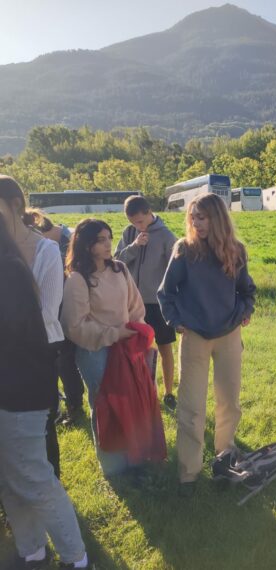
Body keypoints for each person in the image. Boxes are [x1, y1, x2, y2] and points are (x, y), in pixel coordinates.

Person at [0, 212, 91, 569]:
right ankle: (32, 551)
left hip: (21, 389)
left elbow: (21, 333)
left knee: (34, 476)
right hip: (14, 386)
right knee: (11, 477)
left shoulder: (10, 271)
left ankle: (76, 559)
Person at [158, 193, 256, 497]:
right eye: (193, 217)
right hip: (195, 337)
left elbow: (247, 290)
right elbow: (165, 293)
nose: (196, 223)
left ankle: (225, 457)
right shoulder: (184, 250)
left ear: (217, 218)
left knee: (229, 402)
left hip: (229, 335)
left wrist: (245, 311)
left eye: (202, 217)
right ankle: (188, 473)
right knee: (191, 407)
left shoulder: (236, 250)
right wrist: (176, 321)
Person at [61, 219, 146, 477]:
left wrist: (138, 332)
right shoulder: (78, 279)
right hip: (95, 351)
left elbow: (135, 306)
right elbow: (74, 325)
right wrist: (114, 334)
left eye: (109, 237)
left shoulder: (120, 269)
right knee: (105, 406)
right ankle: (113, 466)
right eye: (101, 240)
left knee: (129, 401)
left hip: (126, 347)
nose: (109, 244)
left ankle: (134, 458)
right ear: (86, 244)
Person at [0, 175, 64, 478]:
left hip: (37, 355)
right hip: (5, 355)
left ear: (15, 205)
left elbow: (47, 314)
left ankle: (50, 488)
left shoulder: (45, 251)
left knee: (41, 433)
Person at [115, 195, 178, 411]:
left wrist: (172, 298)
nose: (137, 226)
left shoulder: (166, 236)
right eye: (133, 222)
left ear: (149, 212)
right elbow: (117, 262)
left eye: (140, 221)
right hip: (133, 303)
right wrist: (134, 246)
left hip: (158, 304)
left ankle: (168, 393)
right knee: (137, 349)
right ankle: (143, 391)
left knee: (164, 346)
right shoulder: (128, 233)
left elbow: (175, 269)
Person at [27, 208, 85, 427]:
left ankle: (75, 407)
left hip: (69, 312)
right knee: (63, 363)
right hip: (56, 313)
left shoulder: (67, 243)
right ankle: (70, 405)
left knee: (66, 363)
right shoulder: (48, 243)